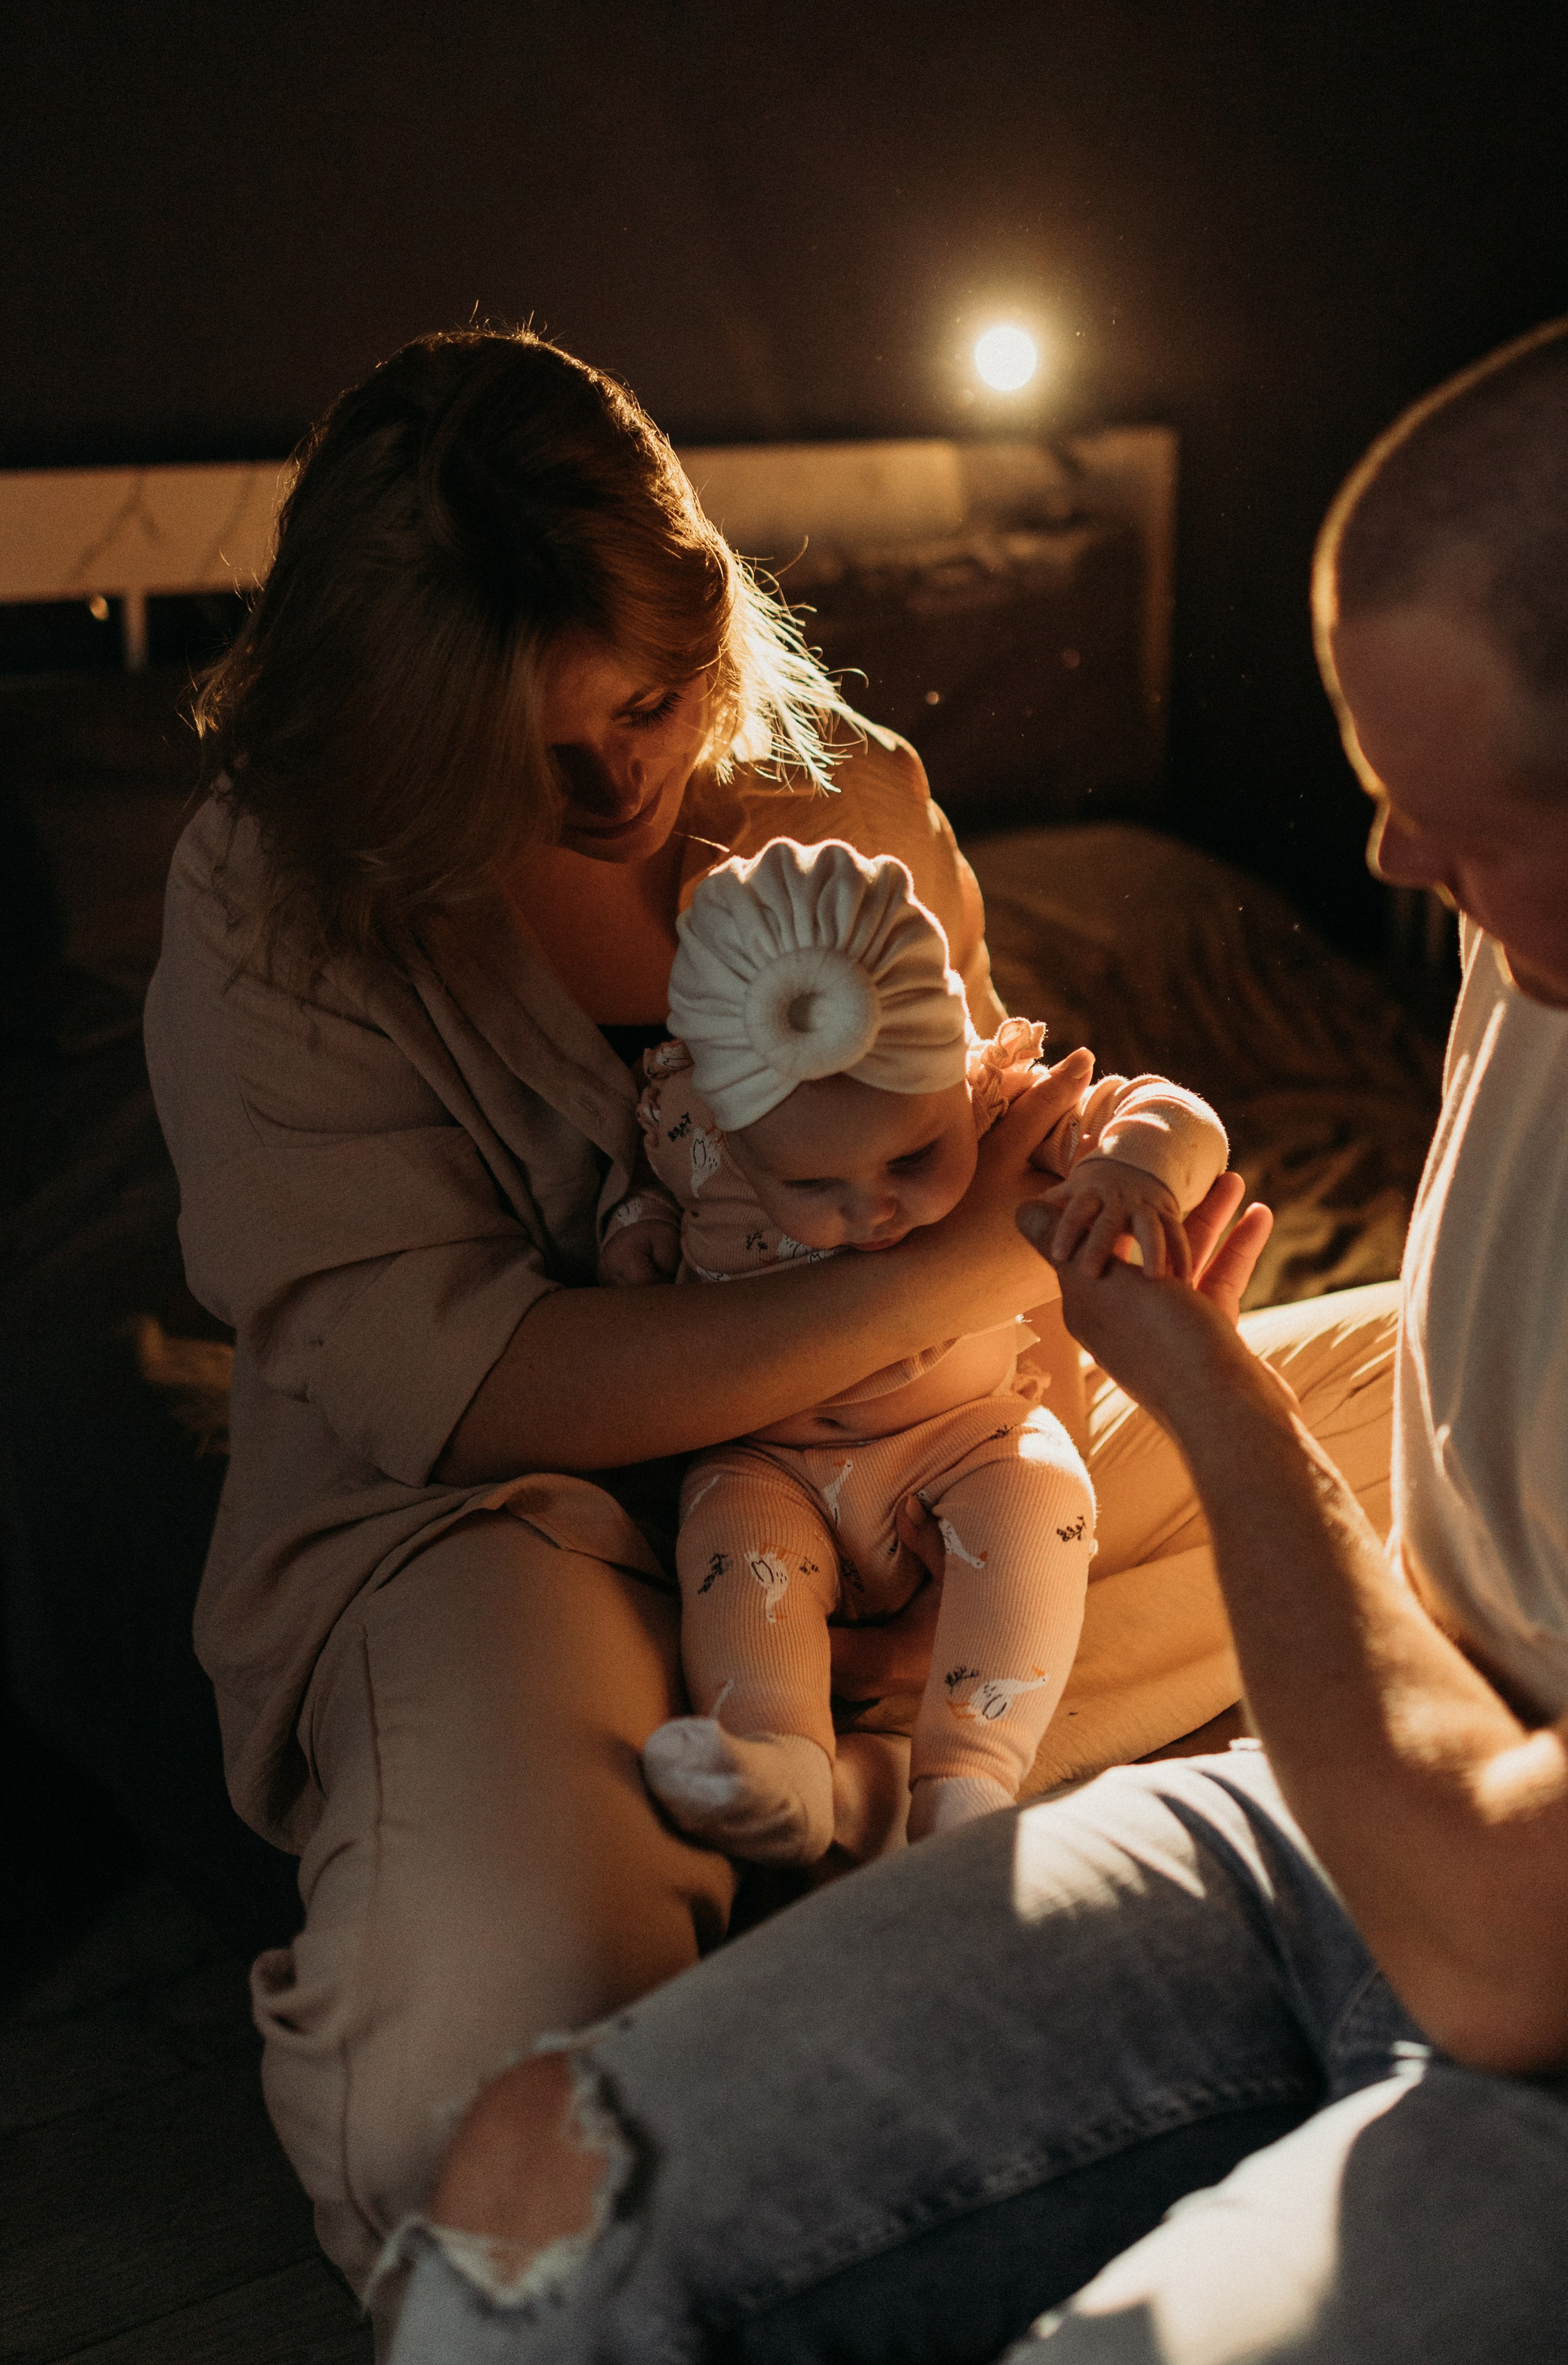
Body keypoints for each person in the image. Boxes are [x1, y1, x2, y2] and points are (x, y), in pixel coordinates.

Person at [387, 299, 1568, 2365]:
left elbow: (1525, 1948)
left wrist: (1204, 1381)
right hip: (1387, 1793)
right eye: (1382, 790)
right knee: (541, 2196)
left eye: (1458, 840)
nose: (1394, 863)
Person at [141, 325, 1398, 2330]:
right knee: (480, 2105)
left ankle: (847, 1763)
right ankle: (868, 1773)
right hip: (510, 1522)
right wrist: (952, 1268)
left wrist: (1089, 1288)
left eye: (648, 704)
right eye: (530, 755)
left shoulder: (844, 796)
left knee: (1466, 1384)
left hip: (932, 1450)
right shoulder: (275, 899)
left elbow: (998, 1132)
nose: (618, 781)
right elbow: (468, 1386)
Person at [617, 836, 1228, 1861]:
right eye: (813, 1189)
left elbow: (1179, 1111)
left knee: (1044, 1490)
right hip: (768, 1460)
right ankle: (779, 1766)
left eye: (913, 1155)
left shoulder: (996, 1100)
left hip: (962, 1435)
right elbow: (643, 1186)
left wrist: (1138, 1164)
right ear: (729, 1127)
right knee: (734, 1559)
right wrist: (629, 1232)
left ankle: (971, 1776)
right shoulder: (690, 1121)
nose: (874, 1212)